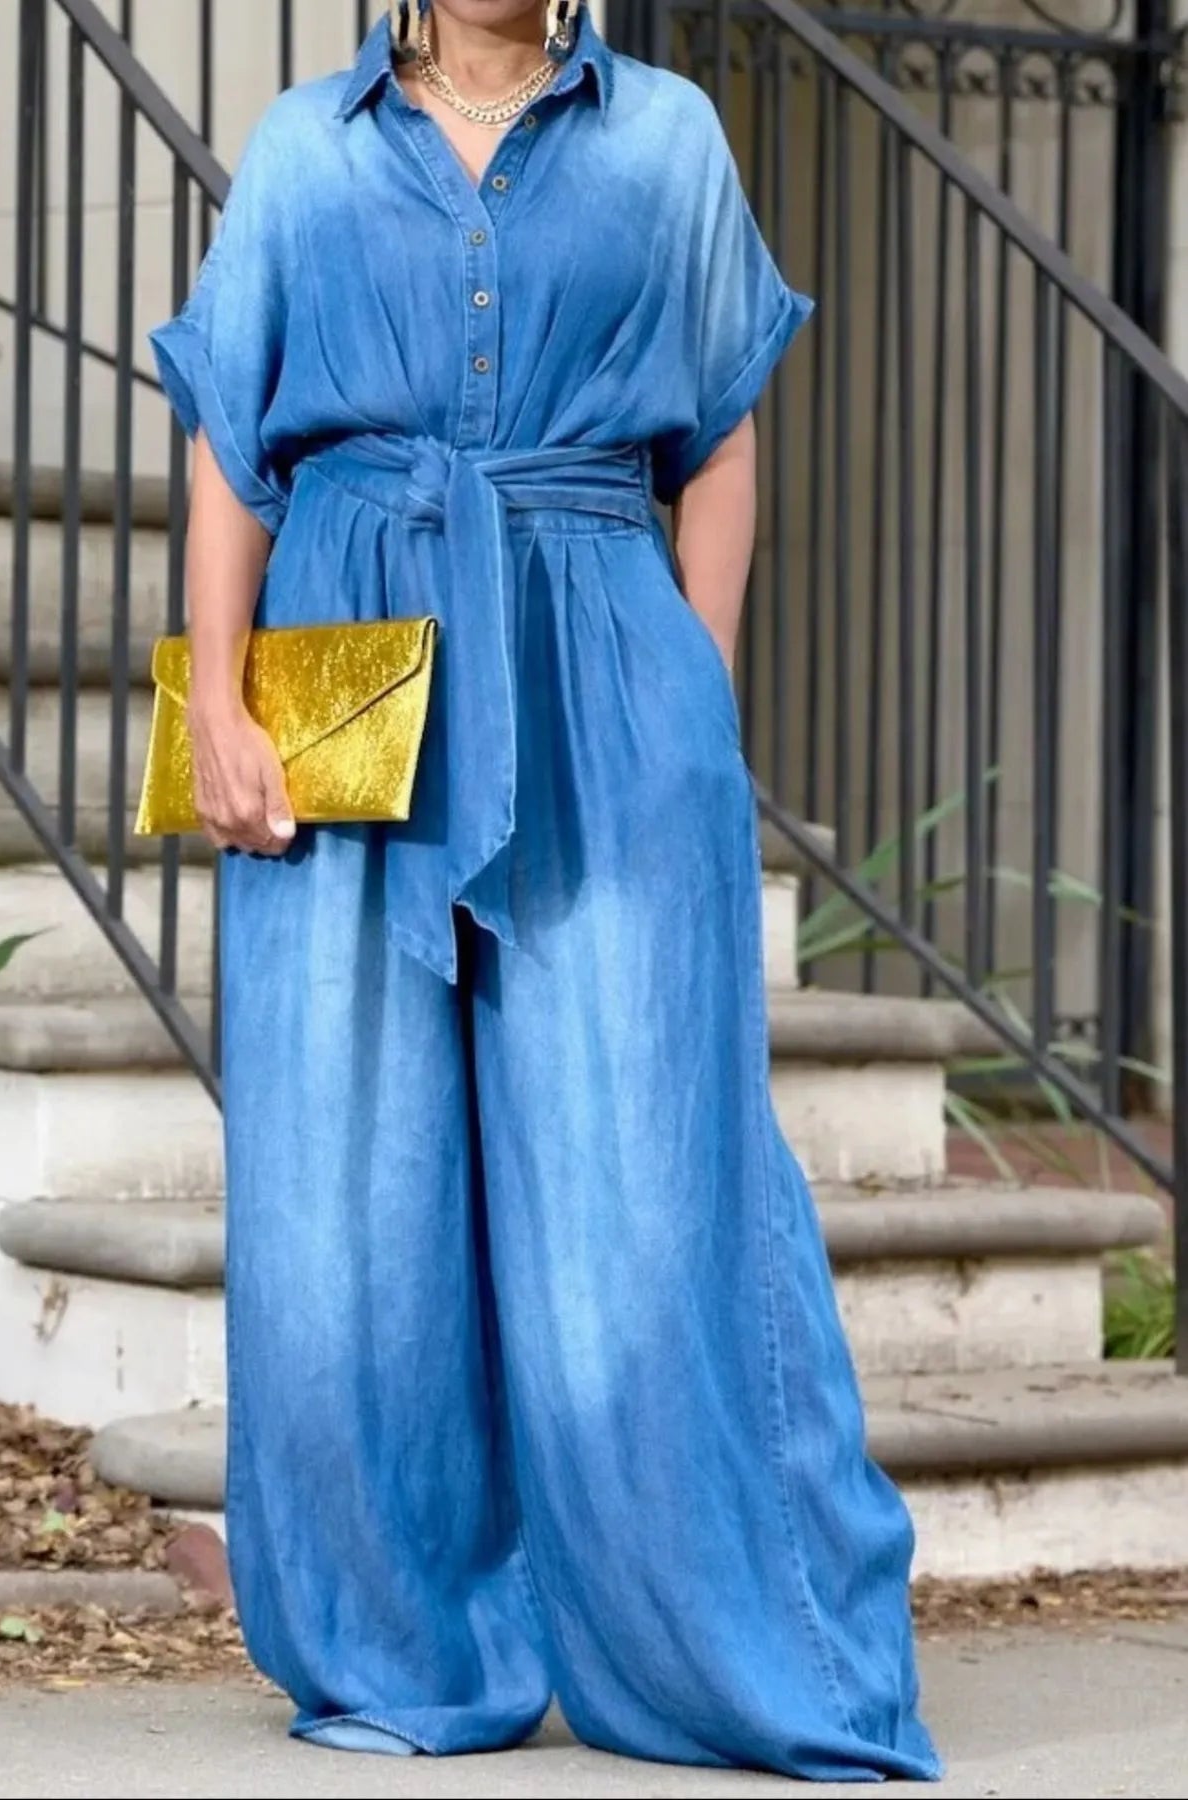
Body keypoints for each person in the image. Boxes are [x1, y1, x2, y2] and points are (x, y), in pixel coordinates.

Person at [150, 0, 940, 1778]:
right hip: (346, 649)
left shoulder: (663, 142)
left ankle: (733, 1650)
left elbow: (719, 438)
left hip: (601, 671)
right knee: (345, 1213)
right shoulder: (302, 147)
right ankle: (401, 1657)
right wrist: (211, 696)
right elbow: (227, 438)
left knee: (643, 1195)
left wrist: (694, 700)